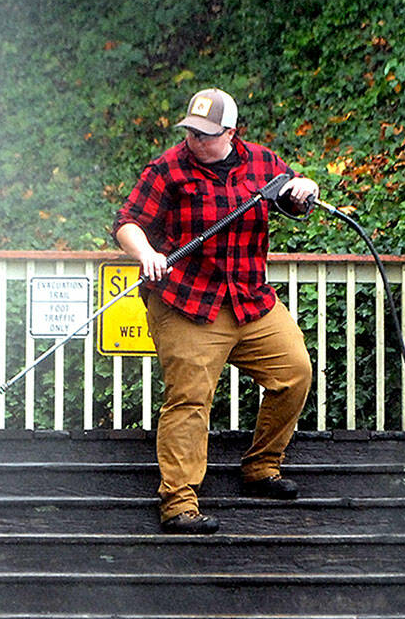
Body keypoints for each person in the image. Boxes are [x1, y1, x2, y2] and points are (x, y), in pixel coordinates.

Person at [113, 87, 320, 534]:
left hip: (249, 298)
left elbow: (292, 194)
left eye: (205, 135)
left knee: (295, 371)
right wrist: (145, 252)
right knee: (189, 398)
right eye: (190, 131)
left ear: (230, 131)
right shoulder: (168, 168)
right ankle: (179, 503)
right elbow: (127, 221)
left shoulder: (262, 162)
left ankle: (262, 467)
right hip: (187, 300)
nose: (195, 141)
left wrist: (305, 187)